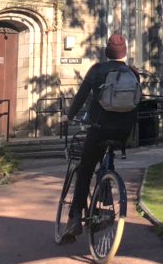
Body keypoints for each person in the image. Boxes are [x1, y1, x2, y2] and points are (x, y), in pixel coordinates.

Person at [60, 33, 140, 242]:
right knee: (107, 159)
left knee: (85, 169)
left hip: (99, 128)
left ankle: (75, 217)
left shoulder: (97, 70)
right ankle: (105, 185)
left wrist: (68, 116)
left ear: (107, 51)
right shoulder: (133, 73)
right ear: (124, 53)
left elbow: (81, 96)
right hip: (123, 133)